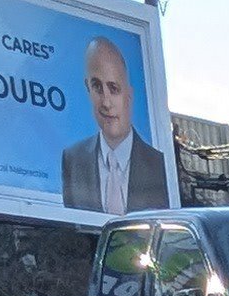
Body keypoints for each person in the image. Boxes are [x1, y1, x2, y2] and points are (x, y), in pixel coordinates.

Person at [63, 39, 169, 212]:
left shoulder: (160, 167)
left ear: (129, 95)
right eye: (97, 87)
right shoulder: (73, 160)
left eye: (113, 89)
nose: (106, 103)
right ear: (87, 88)